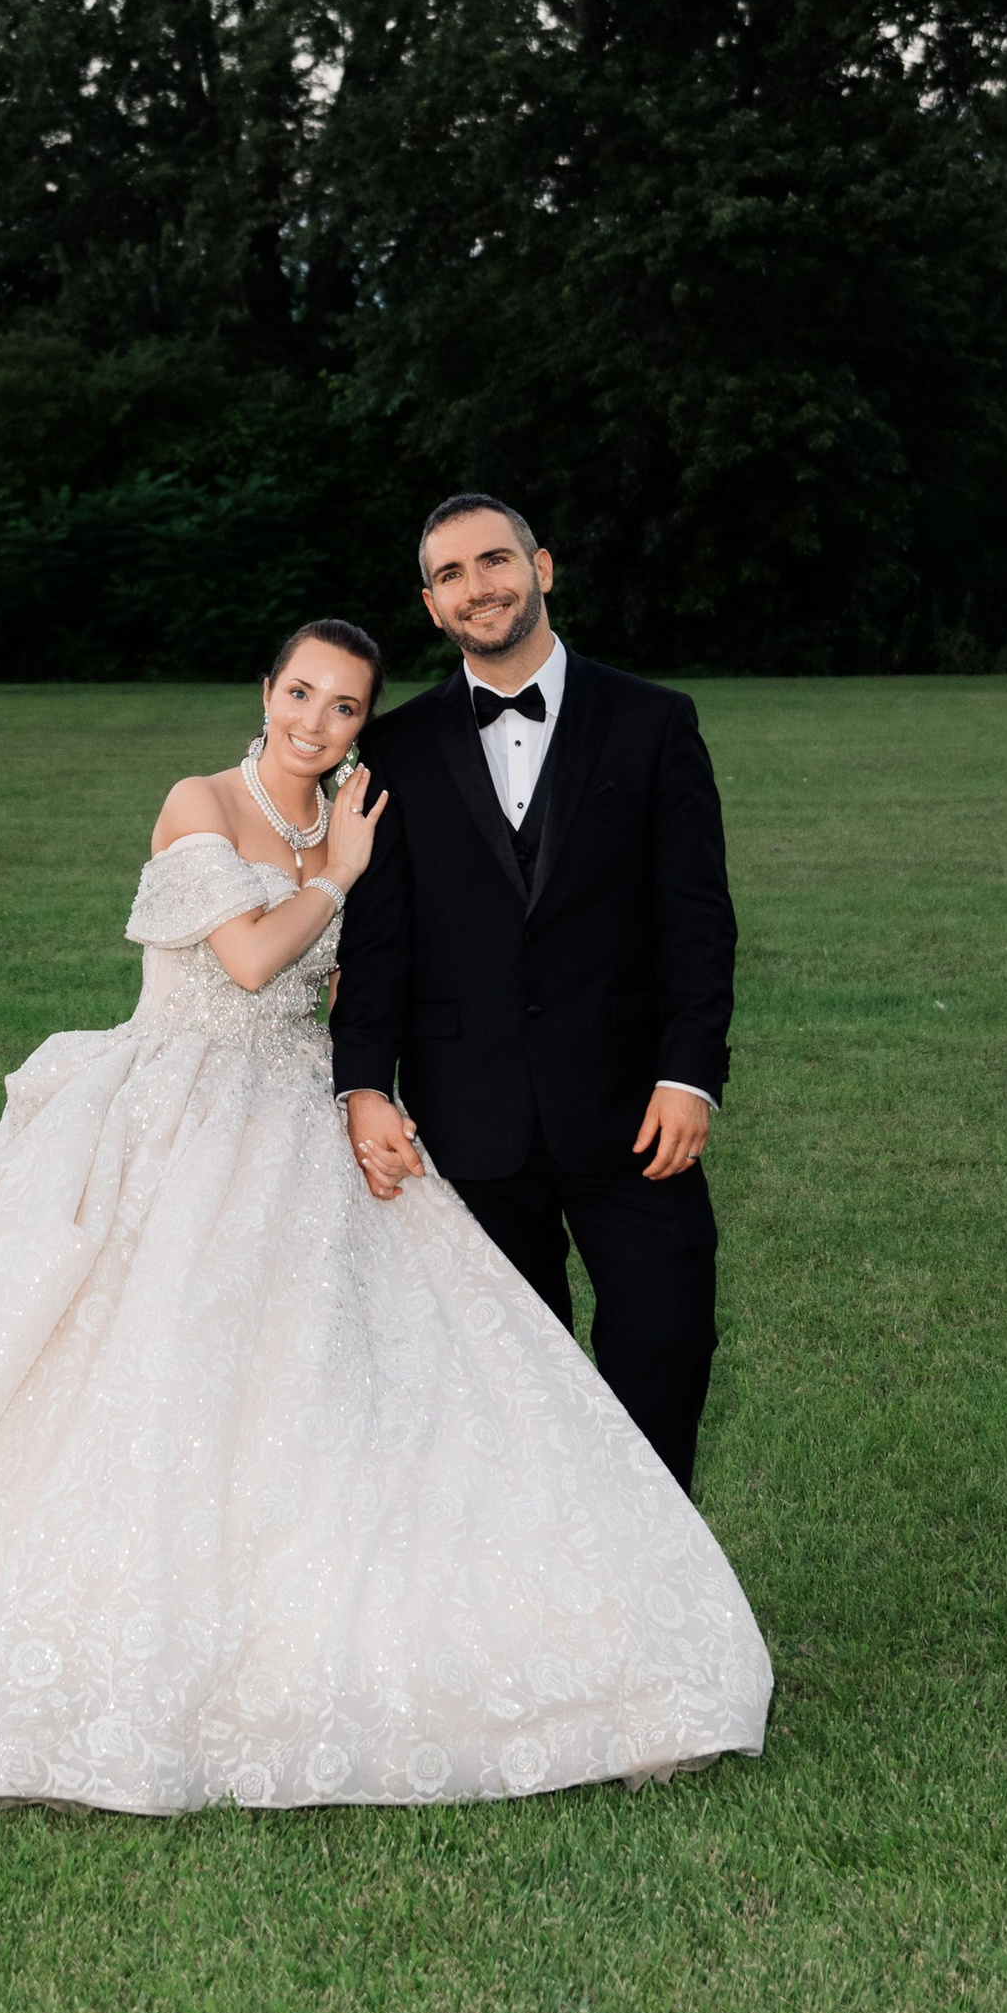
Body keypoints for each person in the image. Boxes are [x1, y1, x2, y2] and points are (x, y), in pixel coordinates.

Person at [0, 615, 770, 1811]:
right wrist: (336, 876)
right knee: (127, 1366)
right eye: (300, 693)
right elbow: (249, 958)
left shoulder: (352, 812)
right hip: (171, 1118)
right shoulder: (202, 802)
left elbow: (375, 974)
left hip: (300, 1119)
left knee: (346, 1375)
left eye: (343, 708)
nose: (315, 722)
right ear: (265, 689)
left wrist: (370, 1071)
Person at [331, 498, 734, 1493]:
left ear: (542, 566)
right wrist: (362, 1083)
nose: (481, 585)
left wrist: (690, 1073)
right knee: (503, 1377)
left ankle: (659, 1586)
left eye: (496, 559)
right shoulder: (398, 744)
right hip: (465, 1115)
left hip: (632, 1107)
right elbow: (377, 941)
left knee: (667, 1346)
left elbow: (696, 917)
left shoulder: (653, 720)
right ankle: (543, 1605)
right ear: (431, 604)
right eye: (453, 573)